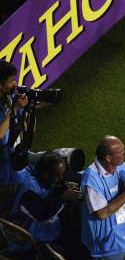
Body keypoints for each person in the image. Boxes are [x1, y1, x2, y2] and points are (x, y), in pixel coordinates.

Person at [10, 151, 80, 246]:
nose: (61, 178)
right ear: (45, 174)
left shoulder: (45, 177)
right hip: (29, 235)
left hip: (42, 226)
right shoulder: (29, 189)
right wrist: (63, 197)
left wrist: (64, 189)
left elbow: (57, 186)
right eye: (58, 175)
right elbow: (43, 215)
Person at [0, 61, 28, 215]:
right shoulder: (11, 104)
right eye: (11, 80)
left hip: (14, 163)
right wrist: (14, 109)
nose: (15, 84)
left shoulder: (8, 99)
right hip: (3, 175)